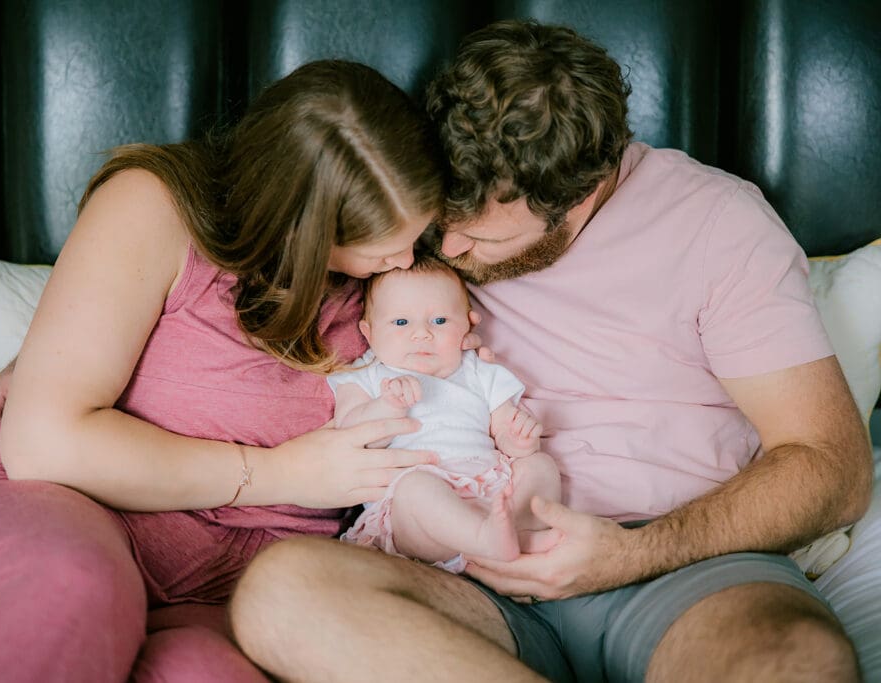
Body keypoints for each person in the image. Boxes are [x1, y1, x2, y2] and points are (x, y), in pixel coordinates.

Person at [228, 20, 874, 683]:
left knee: (797, 663)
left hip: (672, 568)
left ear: (580, 196)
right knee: (280, 593)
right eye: (445, 221)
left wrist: (634, 553)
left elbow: (835, 466)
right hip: (467, 563)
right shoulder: (425, 211)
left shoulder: (719, 225)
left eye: (479, 238)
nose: (444, 250)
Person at [0, 60, 455, 682]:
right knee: (67, 594)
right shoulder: (155, 206)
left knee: (203, 676)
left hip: (240, 586)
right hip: (63, 510)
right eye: (379, 247)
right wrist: (279, 472)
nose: (404, 260)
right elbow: (44, 448)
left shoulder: (404, 286)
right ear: (300, 229)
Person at [329, 254, 561, 572]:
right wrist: (387, 406)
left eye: (439, 321)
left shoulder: (479, 370)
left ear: (467, 324)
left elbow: (504, 429)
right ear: (368, 333)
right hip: (418, 516)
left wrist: (519, 439)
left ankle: (511, 533)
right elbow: (350, 437)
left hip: (489, 493)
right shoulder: (366, 375)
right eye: (401, 322)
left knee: (540, 465)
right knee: (417, 488)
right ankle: (487, 541)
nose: (422, 333)